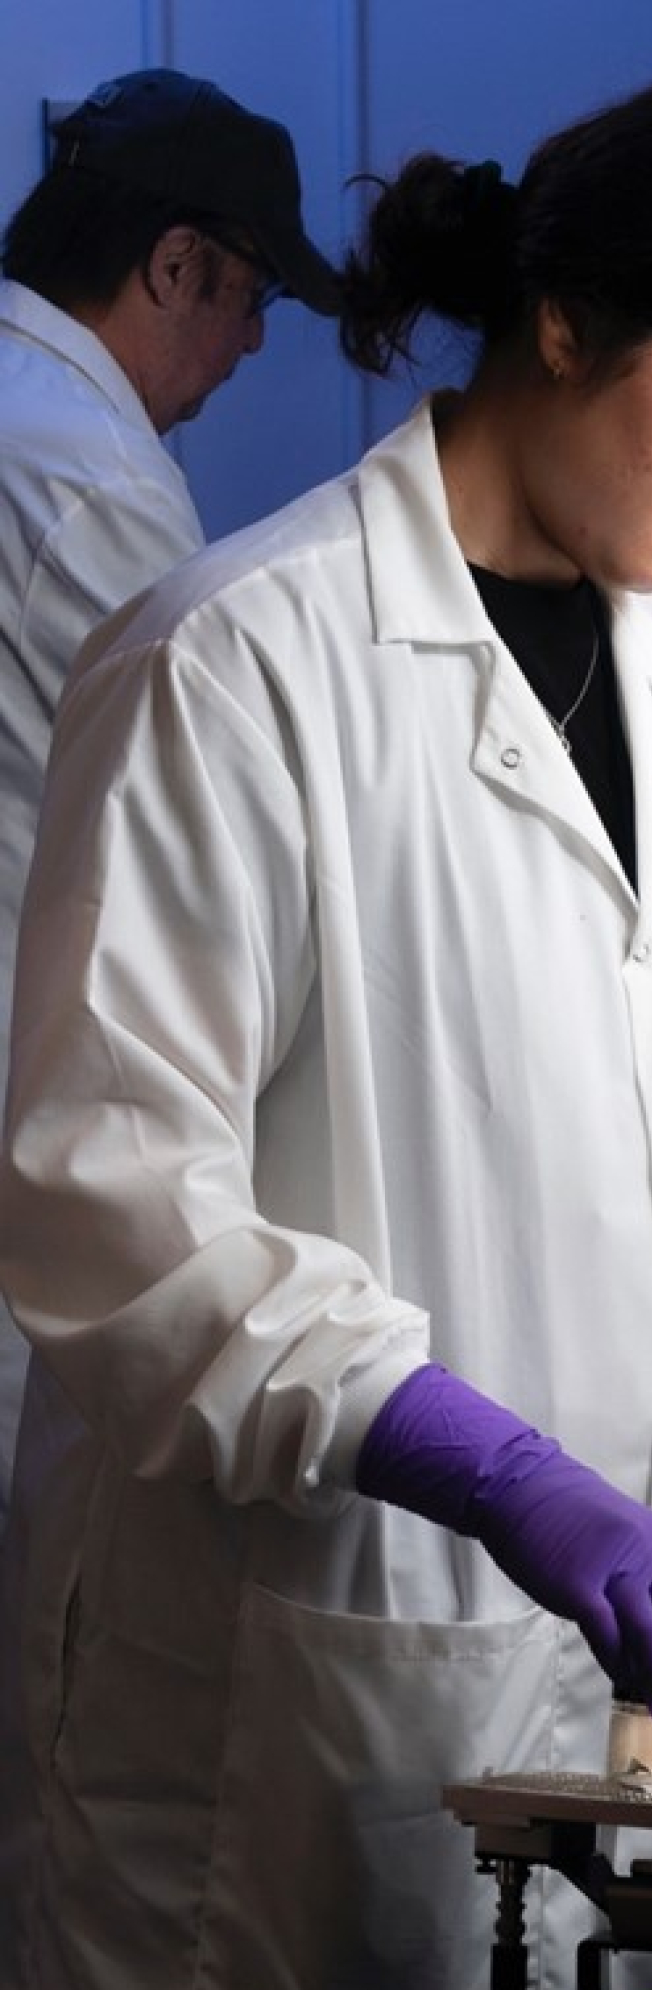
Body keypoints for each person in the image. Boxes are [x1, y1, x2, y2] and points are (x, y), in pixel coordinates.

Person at [0, 76, 652, 1990]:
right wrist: (485, 1463)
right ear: (566, 320)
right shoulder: (235, 662)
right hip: (325, 1668)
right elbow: (107, 1204)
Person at [0, 66, 339, 1524]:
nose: (254, 342)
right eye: (250, 298)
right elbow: (206, 789)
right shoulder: (81, 473)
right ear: (176, 262)